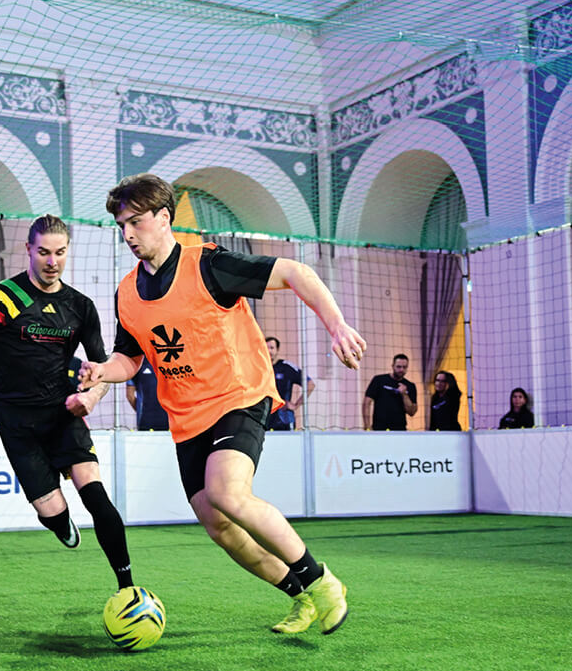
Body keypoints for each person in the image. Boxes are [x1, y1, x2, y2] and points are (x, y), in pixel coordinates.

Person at [80, 173, 366, 635]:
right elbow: (129, 359)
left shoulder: (210, 265)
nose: (128, 234)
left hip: (239, 396)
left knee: (227, 493)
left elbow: (297, 273)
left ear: (164, 217)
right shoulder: (127, 293)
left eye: (136, 222)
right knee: (219, 526)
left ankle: (323, 583)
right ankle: (299, 598)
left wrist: (337, 326)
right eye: (121, 226)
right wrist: (101, 372)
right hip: (186, 417)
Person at [0, 215, 136, 593]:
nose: (53, 262)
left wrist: (90, 396)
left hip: (62, 413)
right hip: (16, 424)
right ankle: (58, 521)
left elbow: (101, 370)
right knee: (52, 513)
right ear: (29, 250)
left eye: (60, 253)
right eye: (44, 253)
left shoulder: (80, 306)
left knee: (96, 495)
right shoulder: (0, 299)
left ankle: (128, 589)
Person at [265, 336, 313, 431]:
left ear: (277, 349)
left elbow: (310, 384)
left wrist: (296, 405)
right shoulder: (259, 368)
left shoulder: (287, 367)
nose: (269, 351)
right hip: (264, 418)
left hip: (284, 419)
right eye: (266, 348)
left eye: (272, 348)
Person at [363, 354, 417, 431]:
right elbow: (366, 403)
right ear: (393, 366)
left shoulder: (410, 386)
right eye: (398, 367)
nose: (401, 370)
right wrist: (367, 426)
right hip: (379, 428)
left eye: (404, 367)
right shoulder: (378, 380)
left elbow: (412, 412)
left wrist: (404, 394)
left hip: (399, 429)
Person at [125, 358, 170, 431]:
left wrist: (141, 410)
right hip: (168, 421)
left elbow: (130, 395)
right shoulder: (170, 364)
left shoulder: (135, 364)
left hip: (145, 420)